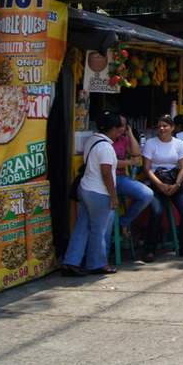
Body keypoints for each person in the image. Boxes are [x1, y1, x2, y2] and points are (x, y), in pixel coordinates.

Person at [63, 112, 123, 277]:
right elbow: (106, 173)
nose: (120, 131)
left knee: (82, 226)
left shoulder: (92, 140)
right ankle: (97, 264)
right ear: (113, 129)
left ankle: (71, 262)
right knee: (99, 229)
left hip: (85, 189)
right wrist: (113, 196)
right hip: (99, 192)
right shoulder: (105, 147)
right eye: (119, 127)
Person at [142, 115, 183, 263]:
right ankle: (150, 249)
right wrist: (159, 185)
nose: (162, 129)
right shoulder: (150, 143)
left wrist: (177, 185)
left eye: (165, 126)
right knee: (156, 212)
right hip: (156, 183)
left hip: (175, 183)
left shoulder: (178, 144)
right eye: (159, 126)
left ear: (172, 128)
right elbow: (147, 169)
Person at [107, 114, 152, 245]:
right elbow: (109, 163)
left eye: (123, 125)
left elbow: (136, 152)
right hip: (106, 178)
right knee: (109, 213)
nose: (120, 128)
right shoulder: (104, 141)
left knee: (146, 194)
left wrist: (130, 133)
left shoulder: (123, 140)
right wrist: (129, 162)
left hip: (120, 178)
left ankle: (124, 222)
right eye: (119, 125)